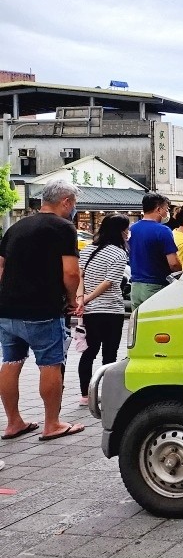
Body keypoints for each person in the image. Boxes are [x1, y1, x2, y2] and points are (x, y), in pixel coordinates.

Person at [0, 181, 85, 442]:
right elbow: (71, 272)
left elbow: (1, 267)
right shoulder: (63, 228)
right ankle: (52, 423)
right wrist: (72, 299)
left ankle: (13, 422)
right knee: (50, 363)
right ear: (67, 202)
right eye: (74, 204)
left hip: (7, 309)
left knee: (11, 362)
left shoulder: (16, 227)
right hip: (43, 309)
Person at [75, 214, 129, 405]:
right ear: (120, 231)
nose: (127, 233)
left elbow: (79, 277)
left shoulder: (88, 249)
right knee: (109, 354)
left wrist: (81, 299)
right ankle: (107, 394)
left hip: (90, 312)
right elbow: (109, 282)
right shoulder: (119, 253)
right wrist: (87, 298)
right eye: (126, 229)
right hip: (111, 310)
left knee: (89, 352)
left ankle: (85, 395)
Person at [129, 194, 181, 310]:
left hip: (135, 286)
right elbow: (173, 263)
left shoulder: (132, 229)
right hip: (156, 286)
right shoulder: (163, 231)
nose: (167, 213)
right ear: (158, 209)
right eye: (166, 209)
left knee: (140, 324)